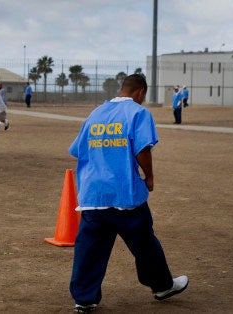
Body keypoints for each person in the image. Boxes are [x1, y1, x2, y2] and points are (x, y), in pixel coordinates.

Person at [68, 74, 188, 313]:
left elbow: (77, 150)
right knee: (145, 244)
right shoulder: (138, 113)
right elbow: (142, 149)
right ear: (141, 92)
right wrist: (149, 176)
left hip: (94, 195)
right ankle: (162, 286)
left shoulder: (95, 114)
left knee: (89, 248)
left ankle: (84, 298)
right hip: (124, 194)